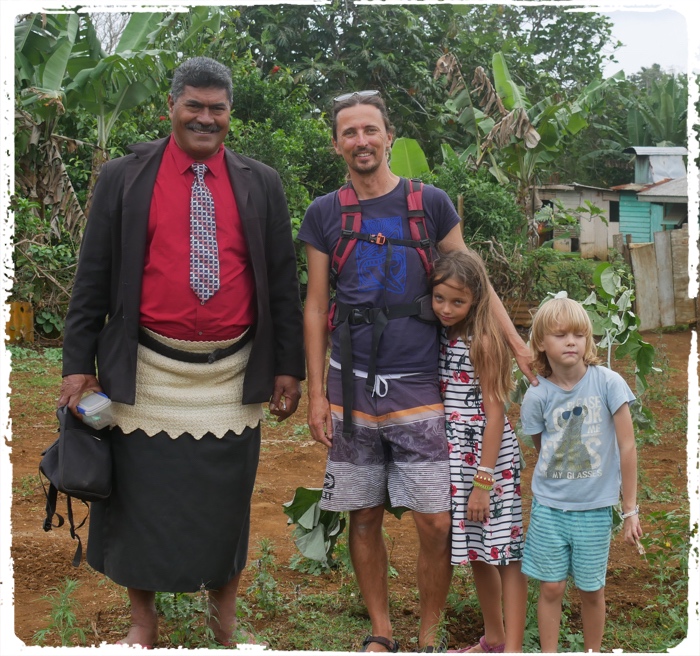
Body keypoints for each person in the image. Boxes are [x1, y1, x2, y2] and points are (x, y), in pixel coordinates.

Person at [58, 57, 305, 648]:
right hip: (145, 370)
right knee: (138, 500)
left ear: (230, 114)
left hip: (232, 373)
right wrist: (76, 367)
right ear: (171, 107)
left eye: (217, 108)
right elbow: (91, 278)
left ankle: (224, 623)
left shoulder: (261, 182)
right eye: (194, 105)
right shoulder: (123, 176)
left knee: (226, 506)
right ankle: (144, 623)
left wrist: (288, 366)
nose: (206, 117)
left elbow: (280, 280)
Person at [299, 90, 535, 652]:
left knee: (435, 520)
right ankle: (381, 632)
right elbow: (313, 306)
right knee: (363, 516)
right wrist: (315, 394)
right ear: (337, 144)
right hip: (349, 385)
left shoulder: (430, 203)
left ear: (388, 136)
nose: (361, 141)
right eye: (349, 132)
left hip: (421, 385)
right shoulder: (324, 213)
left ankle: (428, 635)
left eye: (370, 130)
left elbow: (476, 281)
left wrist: (518, 344)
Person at [519, 296, 643, 653]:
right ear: (542, 342)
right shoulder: (537, 395)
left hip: (594, 510)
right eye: (560, 334)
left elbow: (627, 447)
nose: (571, 341)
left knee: (592, 589)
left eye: (578, 334)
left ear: (589, 340)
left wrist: (630, 509)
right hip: (550, 509)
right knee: (551, 588)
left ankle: (592, 651)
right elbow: (543, 449)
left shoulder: (608, 383)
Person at [432, 251, 528, 654]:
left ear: (476, 300)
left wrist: (482, 484)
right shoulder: (440, 334)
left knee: (505, 552)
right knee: (479, 550)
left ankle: (515, 647)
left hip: (487, 463)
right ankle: (494, 638)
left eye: (458, 302)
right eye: (439, 298)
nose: (446, 309)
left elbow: (494, 417)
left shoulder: (484, 341)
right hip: (457, 456)